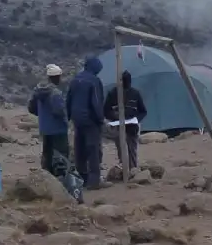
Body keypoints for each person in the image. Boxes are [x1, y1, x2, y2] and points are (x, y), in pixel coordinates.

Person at [65, 56, 108, 189]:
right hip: (90, 120)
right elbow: (96, 102)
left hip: (77, 119)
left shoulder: (75, 80)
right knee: (93, 150)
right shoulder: (94, 81)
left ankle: (81, 177)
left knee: (80, 149)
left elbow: (68, 99)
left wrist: (68, 116)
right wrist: (101, 119)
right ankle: (94, 181)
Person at [27, 64, 69, 174]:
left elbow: (31, 108)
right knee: (60, 156)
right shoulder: (55, 93)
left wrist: (42, 115)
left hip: (45, 128)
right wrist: (66, 119)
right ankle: (60, 179)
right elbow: (59, 111)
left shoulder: (38, 91)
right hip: (58, 129)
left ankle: (47, 177)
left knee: (47, 155)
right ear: (56, 77)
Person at [104, 70, 147, 169]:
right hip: (118, 127)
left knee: (132, 149)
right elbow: (106, 111)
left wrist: (136, 119)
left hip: (132, 126)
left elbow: (143, 111)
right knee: (122, 149)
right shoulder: (113, 93)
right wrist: (115, 116)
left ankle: (133, 169)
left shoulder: (135, 94)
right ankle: (124, 169)